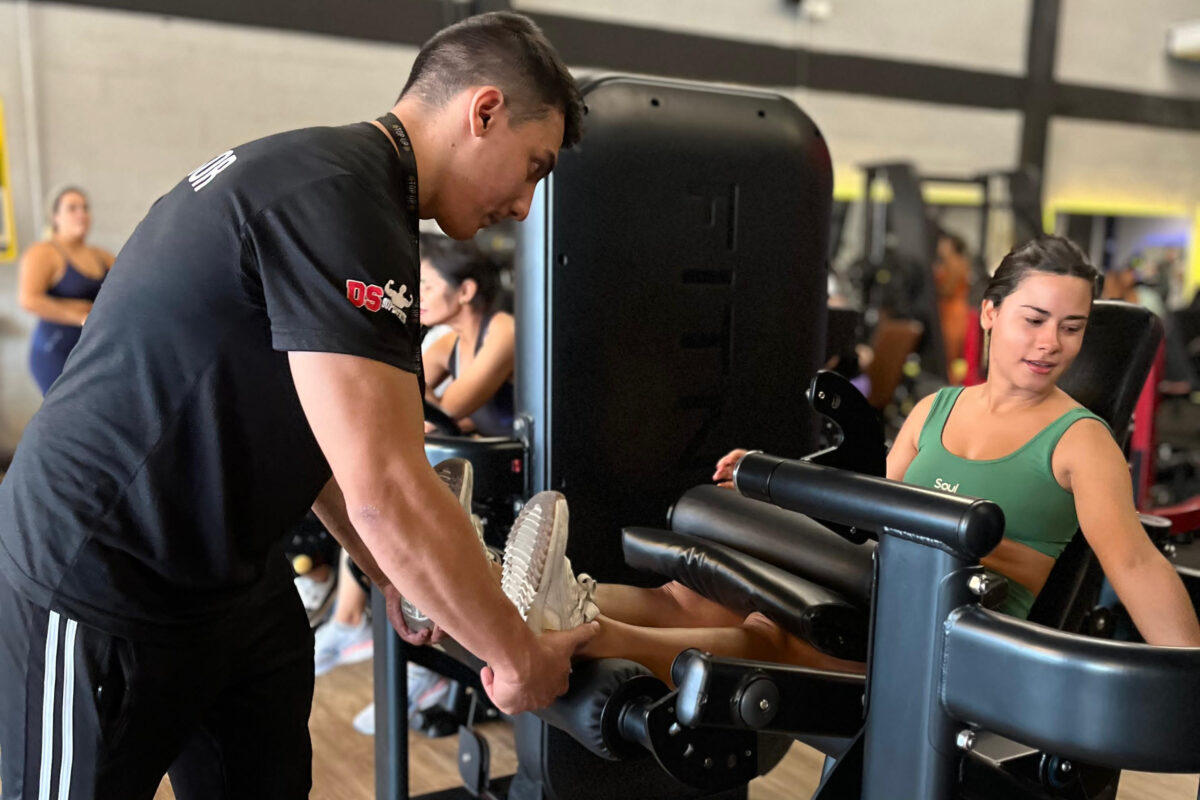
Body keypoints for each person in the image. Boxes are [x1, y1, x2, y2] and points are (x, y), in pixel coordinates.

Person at [0, 12, 597, 800]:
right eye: (531, 167)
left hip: (233, 586)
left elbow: (331, 449)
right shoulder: (339, 200)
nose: (524, 205)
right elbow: (386, 488)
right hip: (104, 574)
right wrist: (516, 660)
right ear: (482, 112)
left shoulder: (357, 201)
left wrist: (392, 575)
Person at [485, 236, 1200, 686]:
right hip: (877, 589)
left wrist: (1190, 682)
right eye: (1033, 320)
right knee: (699, 593)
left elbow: (1128, 566)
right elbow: (869, 520)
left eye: (1071, 328)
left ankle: (573, 626)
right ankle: (525, 594)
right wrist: (788, 487)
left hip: (958, 629)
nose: (1051, 344)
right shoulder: (936, 410)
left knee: (769, 634)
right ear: (990, 314)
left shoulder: (1079, 440)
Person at [18, 186, 114, 395]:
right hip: (54, 352)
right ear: (55, 217)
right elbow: (29, 299)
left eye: (85, 208)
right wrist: (79, 314)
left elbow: (126, 287)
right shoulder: (43, 253)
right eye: (72, 208)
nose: (82, 214)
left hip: (91, 352)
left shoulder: (101, 255)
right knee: (70, 422)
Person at [420, 233, 515, 435]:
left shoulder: (504, 332)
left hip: (542, 462)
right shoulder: (449, 344)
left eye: (427, 286)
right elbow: (401, 395)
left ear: (465, 291)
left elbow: (443, 414)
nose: (417, 296)